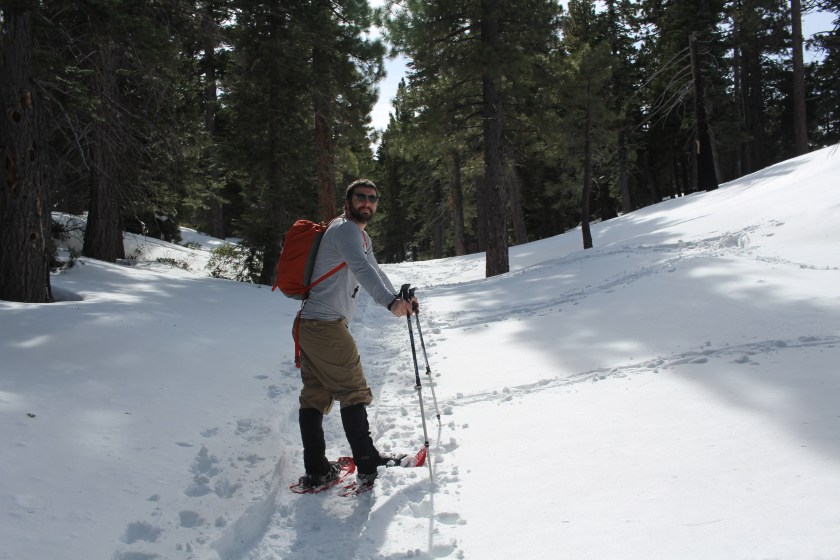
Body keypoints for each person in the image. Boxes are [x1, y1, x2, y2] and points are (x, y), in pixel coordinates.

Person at [295, 178, 416, 489]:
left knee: (315, 395)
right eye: (360, 197)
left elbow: (374, 269)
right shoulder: (346, 229)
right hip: (324, 325)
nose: (367, 202)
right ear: (347, 202)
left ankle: (318, 469)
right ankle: (366, 461)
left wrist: (398, 297)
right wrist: (390, 302)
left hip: (312, 325)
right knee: (353, 391)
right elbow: (361, 269)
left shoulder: (359, 235)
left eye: (372, 198)